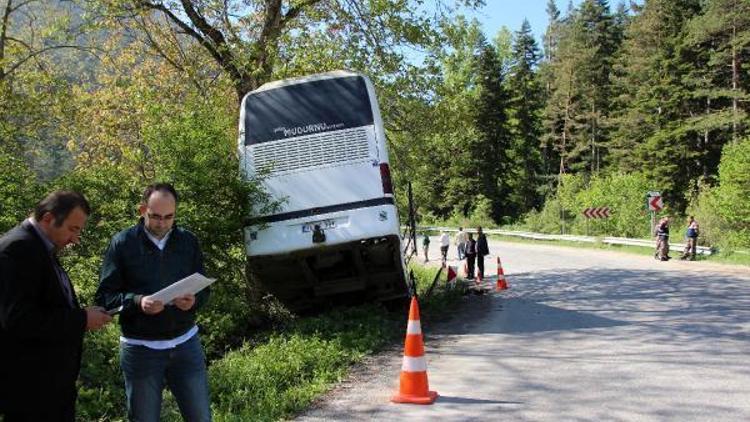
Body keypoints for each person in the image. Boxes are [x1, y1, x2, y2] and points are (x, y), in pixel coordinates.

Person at [96, 183, 211, 422]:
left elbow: (203, 288)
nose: (162, 223)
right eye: (155, 216)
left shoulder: (188, 241)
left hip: (186, 344)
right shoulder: (123, 243)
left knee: (201, 418)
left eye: (169, 217)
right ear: (142, 210)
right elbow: (105, 298)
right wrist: (138, 301)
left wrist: (193, 300)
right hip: (140, 349)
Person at [0, 191, 112, 421]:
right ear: (48, 218)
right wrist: (82, 319)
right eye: (72, 229)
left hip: (51, 388)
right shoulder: (18, 248)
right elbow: (18, 320)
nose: (75, 239)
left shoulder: (40, 246)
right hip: (31, 391)